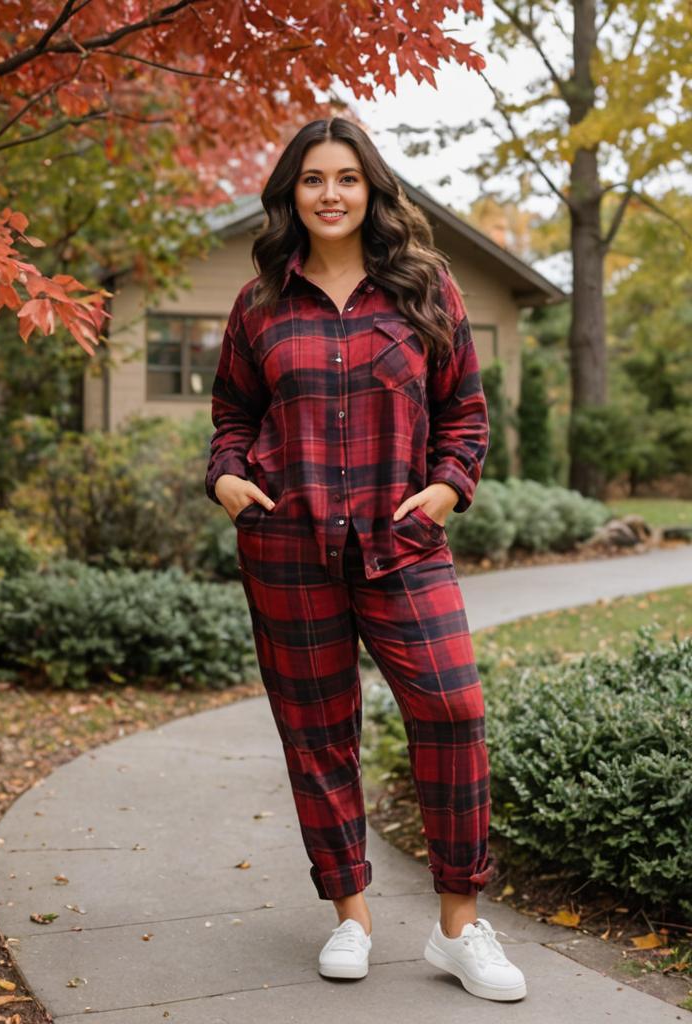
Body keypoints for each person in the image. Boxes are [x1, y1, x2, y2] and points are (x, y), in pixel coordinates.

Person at [204, 116, 527, 1002]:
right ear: (291, 195)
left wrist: (449, 488)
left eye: (348, 177)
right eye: (314, 179)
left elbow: (464, 408)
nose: (332, 193)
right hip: (288, 545)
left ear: (374, 189)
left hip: (403, 545)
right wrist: (229, 478)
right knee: (318, 734)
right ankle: (350, 916)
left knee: (454, 710)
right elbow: (232, 413)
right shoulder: (260, 304)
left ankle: (460, 930)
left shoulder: (427, 288)